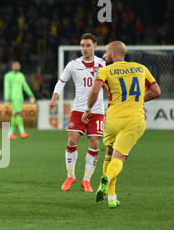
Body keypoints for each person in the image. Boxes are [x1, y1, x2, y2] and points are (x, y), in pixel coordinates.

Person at [82, 41, 161, 208]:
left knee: (109, 154)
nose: (103, 56)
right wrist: (138, 100)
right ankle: (107, 179)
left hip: (112, 119)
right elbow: (156, 91)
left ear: (112, 54)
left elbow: (95, 91)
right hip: (134, 119)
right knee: (119, 158)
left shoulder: (105, 70)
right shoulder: (141, 68)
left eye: (105, 53)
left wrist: (88, 110)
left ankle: (111, 198)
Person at [49, 33, 105, 192]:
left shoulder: (103, 64)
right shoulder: (73, 65)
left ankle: (86, 180)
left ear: (94, 46)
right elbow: (61, 82)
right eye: (82, 45)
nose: (85, 48)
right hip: (78, 109)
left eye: (88, 45)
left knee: (94, 142)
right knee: (72, 140)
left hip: (97, 110)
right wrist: (54, 99)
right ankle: (70, 176)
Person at [4, 61, 35, 139]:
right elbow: (6, 88)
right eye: (15, 65)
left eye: (18, 65)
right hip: (13, 98)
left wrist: (30, 94)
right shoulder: (8, 76)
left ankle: (10, 133)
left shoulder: (21, 75)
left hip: (20, 98)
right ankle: (22, 132)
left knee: (15, 115)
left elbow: (25, 86)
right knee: (18, 113)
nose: (17, 66)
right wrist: (7, 99)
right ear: (12, 66)